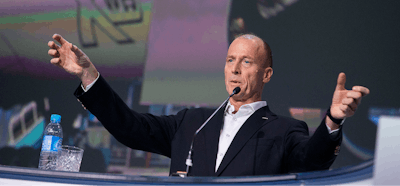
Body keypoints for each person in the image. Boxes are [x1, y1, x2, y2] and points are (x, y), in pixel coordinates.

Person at [47, 33, 369, 176]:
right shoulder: (192, 123)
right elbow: (131, 128)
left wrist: (332, 122)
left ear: (266, 74)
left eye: (246, 61)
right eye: (230, 60)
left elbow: (311, 160)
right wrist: (89, 76)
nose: (235, 68)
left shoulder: (284, 131)